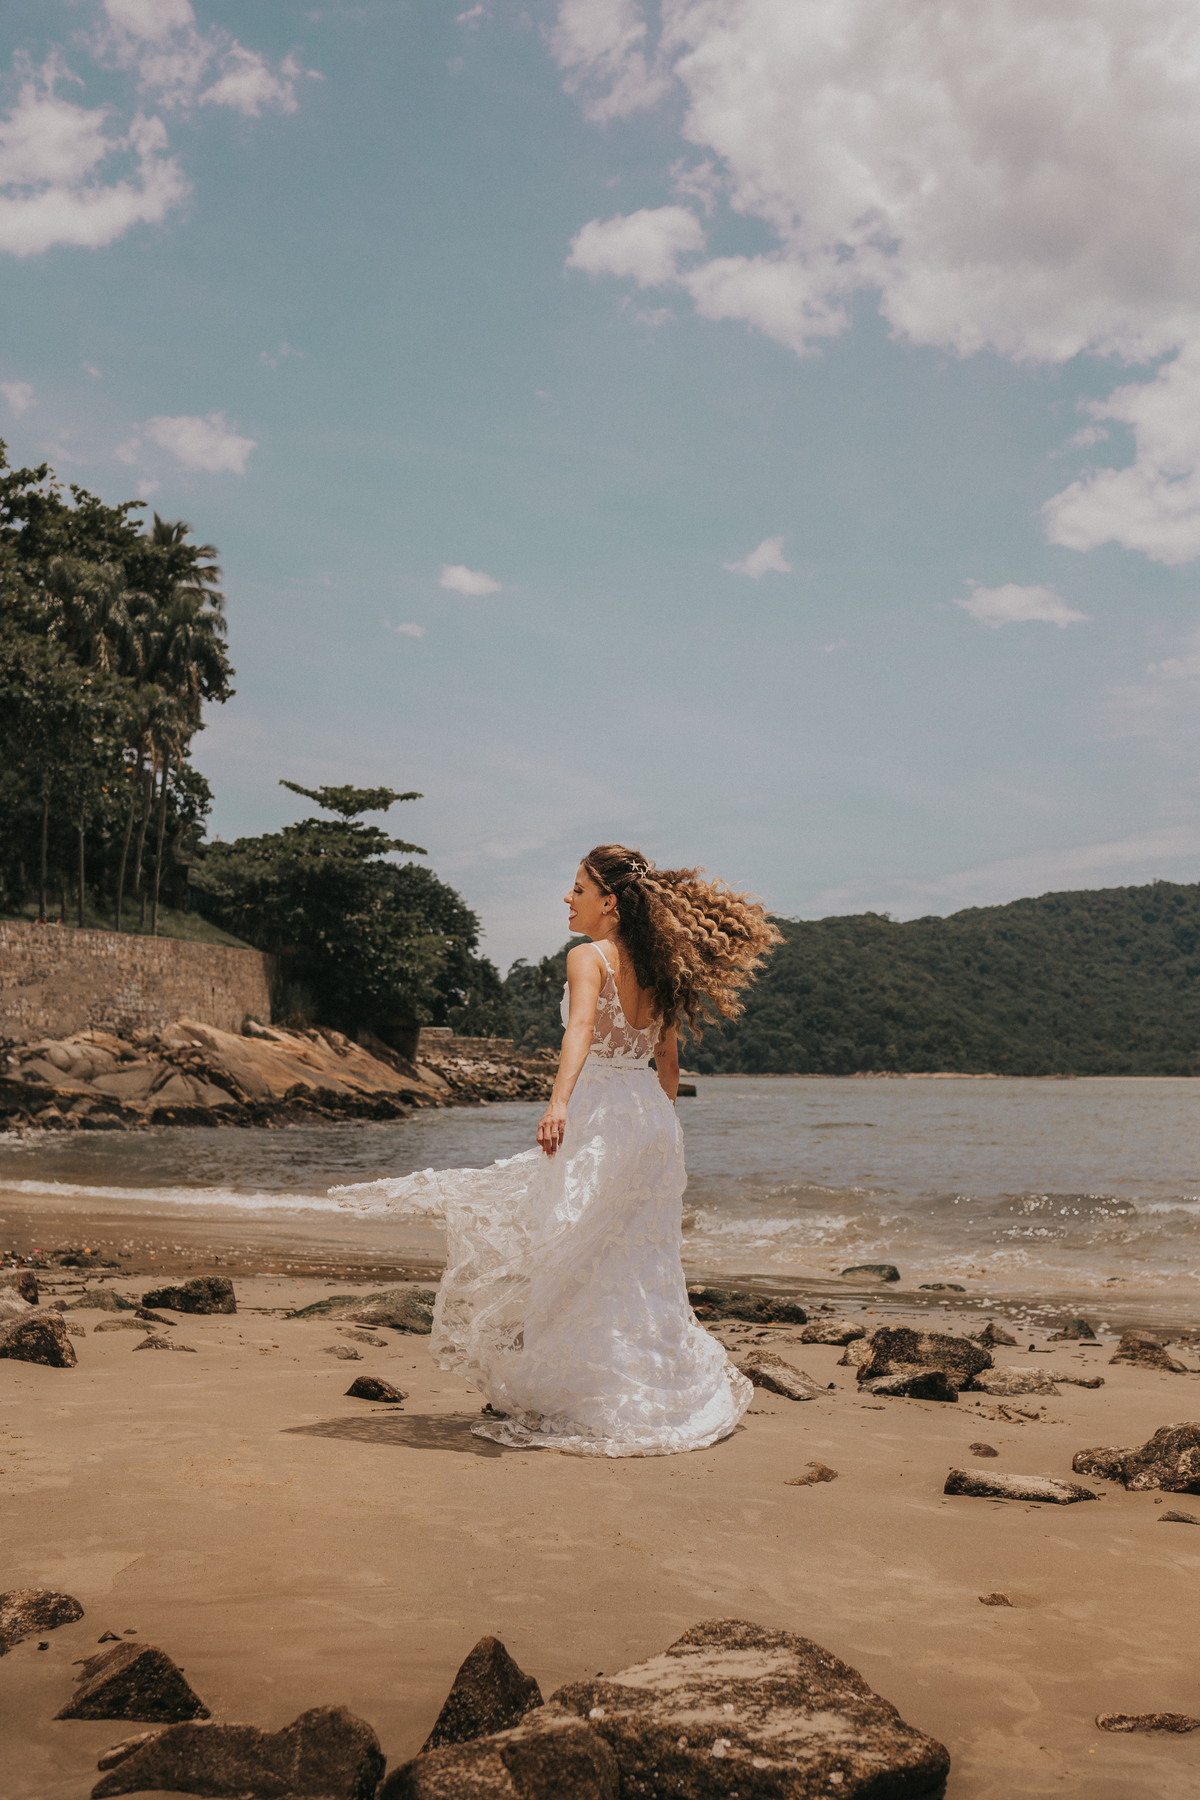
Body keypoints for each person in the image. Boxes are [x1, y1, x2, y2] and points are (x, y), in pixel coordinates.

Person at [333, 845, 781, 1456]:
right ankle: (654, 1386)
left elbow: (578, 1033)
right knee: (638, 1259)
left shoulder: (586, 957)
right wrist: (657, 1127)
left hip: (601, 1114)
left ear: (609, 902)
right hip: (651, 1121)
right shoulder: (663, 968)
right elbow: (668, 1063)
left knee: (572, 1247)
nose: (567, 899)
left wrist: (558, 1103)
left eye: (577, 888)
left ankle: (586, 1390)